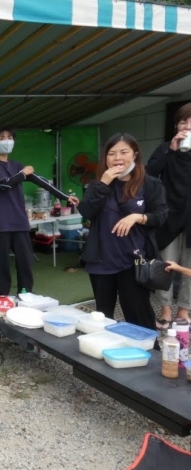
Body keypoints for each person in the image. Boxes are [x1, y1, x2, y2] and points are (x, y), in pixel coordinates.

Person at [77, 133, 167, 331]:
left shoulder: (150, 184)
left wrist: (137, 217)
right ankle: (104, 349)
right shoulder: (97, 184)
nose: (117, 158)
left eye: (124, 152)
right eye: (112, 153)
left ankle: (150, 349)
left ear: (135, 155)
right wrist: (103, 184)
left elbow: (161, 215)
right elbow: (86, 212)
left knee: (139, 318)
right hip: (101, 260)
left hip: (134, 261)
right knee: (103, 318)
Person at [0, 127, 78, 297]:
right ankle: (1, 296)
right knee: (2, 263)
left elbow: (41, 181)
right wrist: (22, 174)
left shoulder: (16, 164)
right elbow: (4, 184)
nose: (7, 141)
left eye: (10, 137)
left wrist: (65, 196)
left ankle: (25, 293)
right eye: (2, 138)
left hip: (19, 222)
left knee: (25, 260)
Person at [146, 102, 191, 331]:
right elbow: (149, 174)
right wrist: (171, 150)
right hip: (169, 217)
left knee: (189, 267)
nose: (187, 127)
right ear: (176, 126)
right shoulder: (165, 149)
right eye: (183, 122)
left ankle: (184, 311)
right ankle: (165, 310)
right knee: (165, 265)